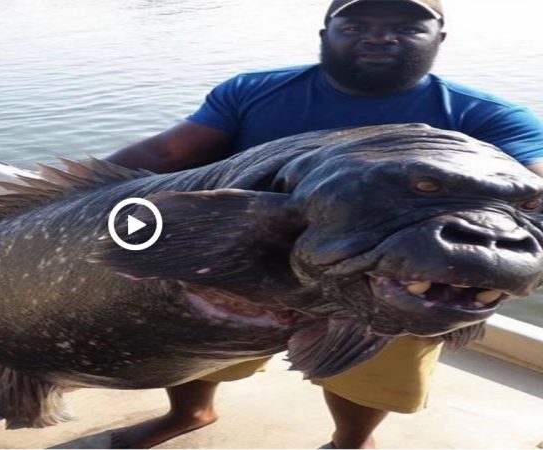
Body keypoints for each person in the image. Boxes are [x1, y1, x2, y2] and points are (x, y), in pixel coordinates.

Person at [104, 0, 543, 448]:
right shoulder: (254, 90)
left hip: (397, 276)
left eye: (407, 25)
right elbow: (165, 156)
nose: (379, 36)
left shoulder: (485, 117)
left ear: (440, 38)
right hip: (249, 260)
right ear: (325, 34)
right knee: (195, 344)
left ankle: (352, 442)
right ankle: (191, 411)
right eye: (356, 24)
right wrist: (64, 197)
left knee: (370, 373)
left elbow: (534, 176)